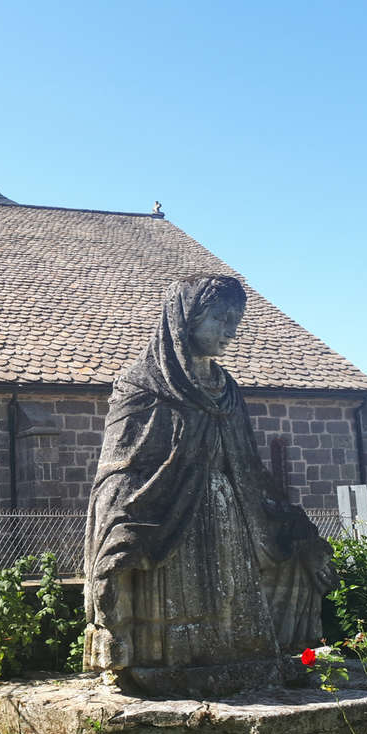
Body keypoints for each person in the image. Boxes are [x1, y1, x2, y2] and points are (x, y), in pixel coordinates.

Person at [83, 274, 335, 681]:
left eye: (235, 320)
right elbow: (120, 466)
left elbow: (249, 465)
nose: (230, 332)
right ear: (186, 319)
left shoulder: (227, 388)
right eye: (220, 319)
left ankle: (240, 660)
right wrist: (121, 519)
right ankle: (165, 668)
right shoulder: (143, 385)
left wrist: (290, 520)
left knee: (266, 571)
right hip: (173, 514)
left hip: (230, 511)